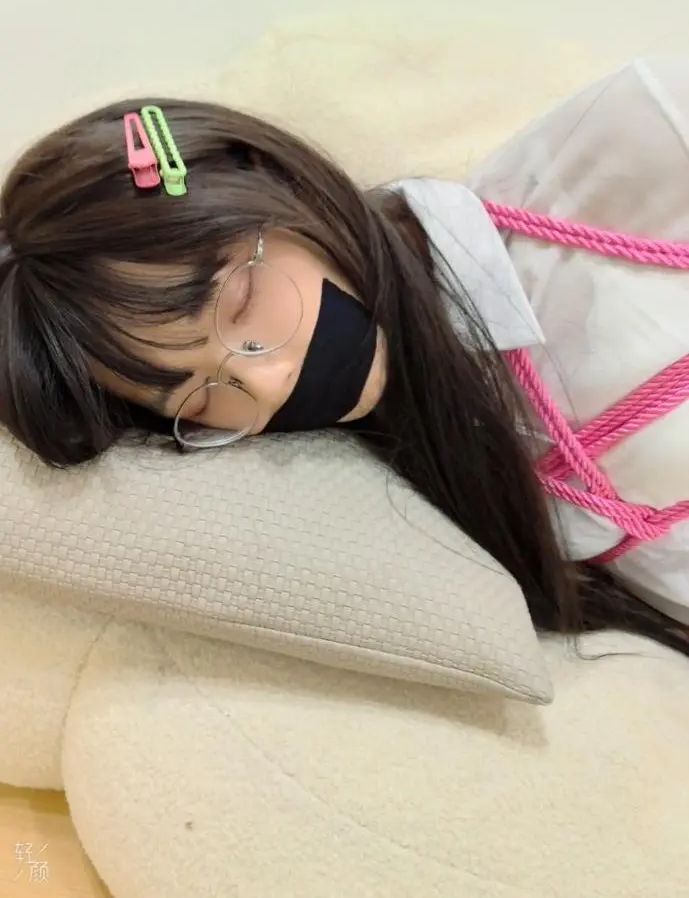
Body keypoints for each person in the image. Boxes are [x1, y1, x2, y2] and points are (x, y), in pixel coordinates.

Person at [1, 58, 688, 656]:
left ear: (274, 186)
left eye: (242, 304)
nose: (268, 383)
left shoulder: (633, 142)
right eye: (204, 396)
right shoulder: (419, 468)